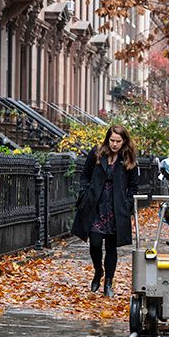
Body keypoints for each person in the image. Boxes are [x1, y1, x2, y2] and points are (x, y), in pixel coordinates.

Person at [71, 125, 139, 297]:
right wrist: (84, 192)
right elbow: (84, 174)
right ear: (107, 139)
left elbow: (133, 187)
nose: (114, 144)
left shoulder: (128, 159)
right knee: (94, 243)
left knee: (111, 247)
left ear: (124, 142)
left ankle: (108, 282)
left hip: (115, 208)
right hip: (95, 205)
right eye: (112, 140)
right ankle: (98, 271)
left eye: (118, 141)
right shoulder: (97, 153)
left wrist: (127, 204)